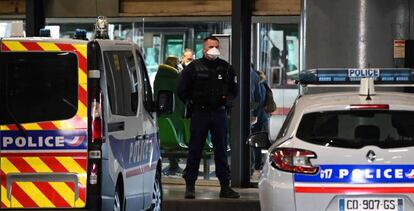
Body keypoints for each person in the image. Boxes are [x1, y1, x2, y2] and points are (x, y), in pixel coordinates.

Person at [177, 36, 240, 199]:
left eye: (216, 46)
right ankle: (190, 186)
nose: (214, 49)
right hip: (200, 113)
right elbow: (181, 89)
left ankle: (225, 187)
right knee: (195, 149)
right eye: (211, 46)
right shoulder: (193, 68)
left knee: (221, 150)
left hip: (219, 113)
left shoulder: (226, 68)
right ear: (204, 49)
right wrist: (191, 103)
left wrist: (227, 103)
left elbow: (234, 90)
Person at [154, 56, 186, 175]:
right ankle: (174, 165)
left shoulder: (158, 77)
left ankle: (172, 164)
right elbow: (181, 96)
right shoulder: (176, 78)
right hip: (175, 113)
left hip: (161, 113)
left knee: (166, 139)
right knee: (176, 139)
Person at [251, 70, 270, 180]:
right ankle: (258, 167)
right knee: (258, 144)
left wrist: (254, 115)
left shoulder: (259, 86)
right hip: (263, 118)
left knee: (256, 144)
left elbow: (259, 101)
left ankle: (257, 168)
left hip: (258, 119)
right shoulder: (264, 85)